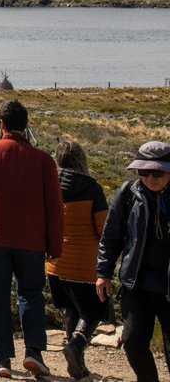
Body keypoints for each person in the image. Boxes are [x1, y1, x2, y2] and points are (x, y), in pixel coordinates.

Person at [0, 100, 63, 379]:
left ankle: (1, 357)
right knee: (30, 294)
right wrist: (55, 246)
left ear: (1, 124)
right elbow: (54, 207)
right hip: (31, 241)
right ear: (26, 125)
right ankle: (34, 352)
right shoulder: (43, 161)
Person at [96, 141, 170, 382]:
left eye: (157, 172)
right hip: (137, 284)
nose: (150, 177)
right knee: (133, 342)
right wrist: (103, 273)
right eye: (143, 172)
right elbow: (111, 236)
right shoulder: (129, 193)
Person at [46, 140, 108, 380]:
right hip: (84, 264)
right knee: (95, 311)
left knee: (72, 309)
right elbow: (103, 228)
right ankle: (76, 347)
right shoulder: (91, 188)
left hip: (54, 263)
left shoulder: (49, 186)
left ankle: (78, 366)